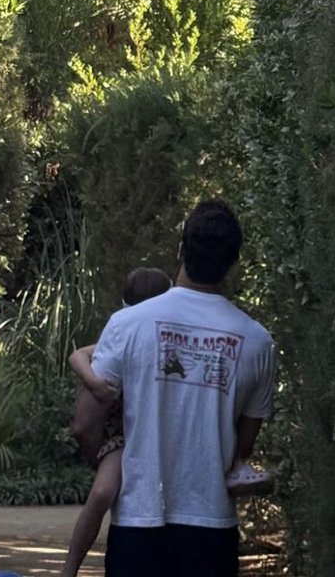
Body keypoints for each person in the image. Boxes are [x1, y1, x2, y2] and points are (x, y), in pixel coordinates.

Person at [82, 199, 275, 577]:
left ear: (181, 249)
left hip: (138, 523)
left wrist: (109, 461)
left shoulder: (128, 324)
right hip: (212, 529)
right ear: (234, 261)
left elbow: (86, 420)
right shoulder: (256, 342)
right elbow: (243, 446)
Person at [62, 266, 173, 577]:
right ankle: (70, 568)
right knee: (101, 493)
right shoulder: (127, 332)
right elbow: (78, 356)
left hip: (155, 430)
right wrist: (95, 384)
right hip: (119, 432)